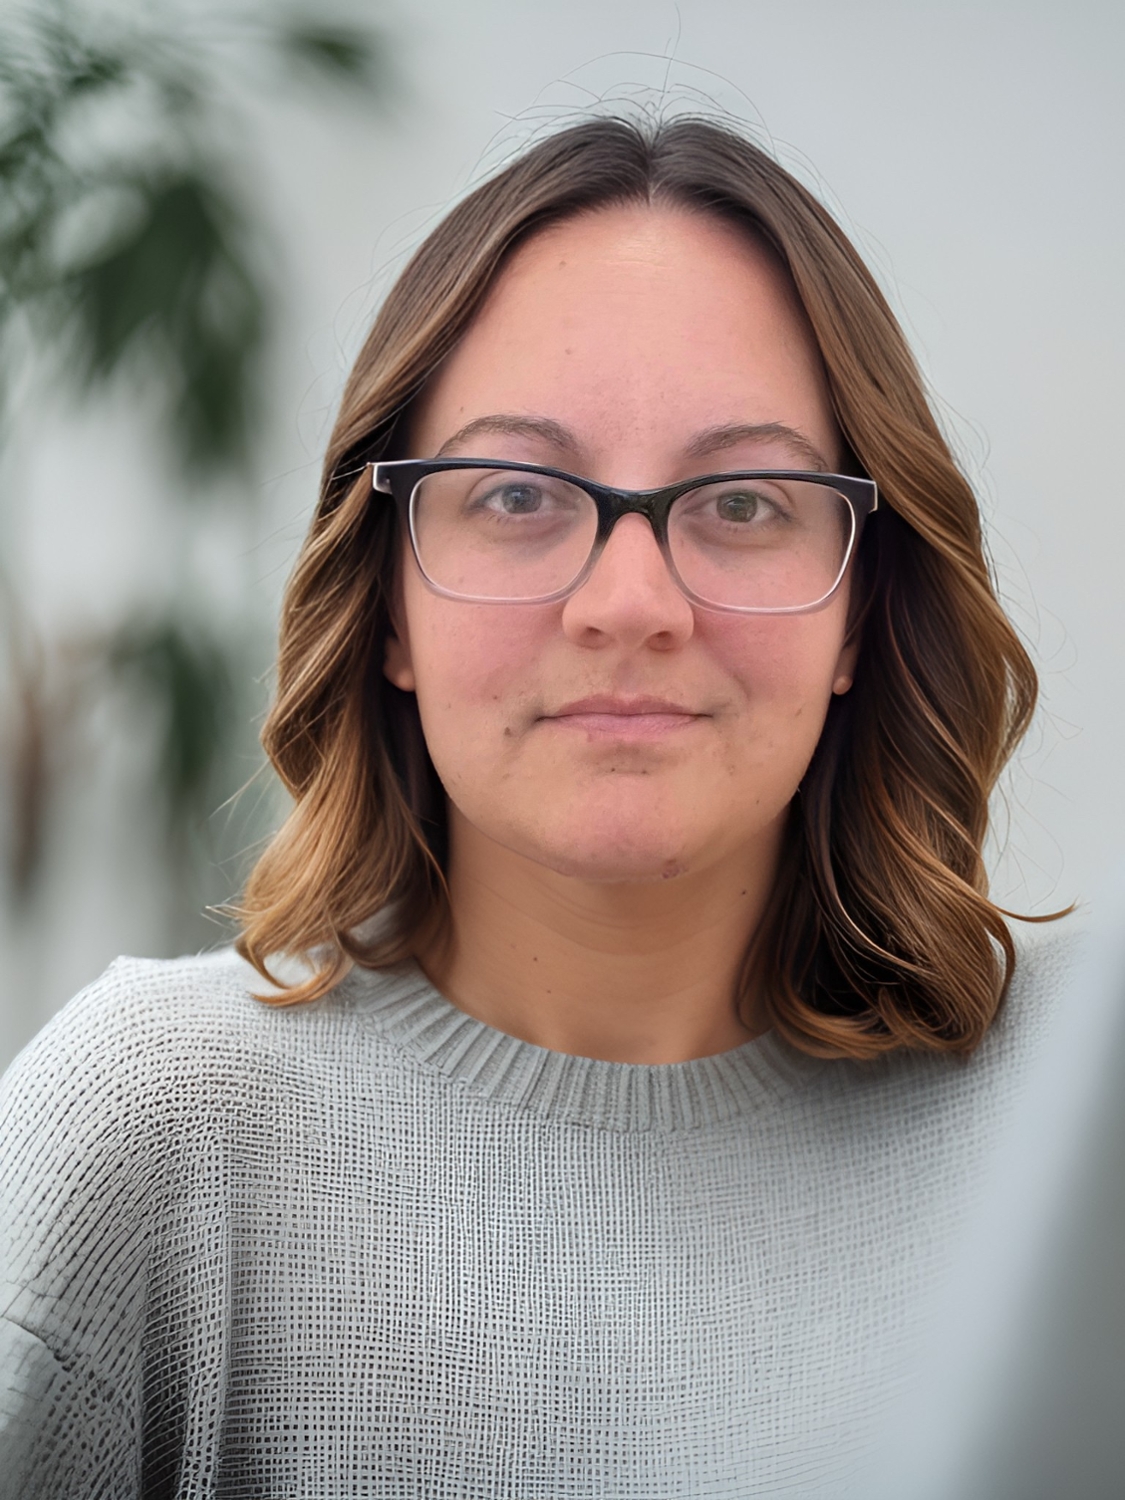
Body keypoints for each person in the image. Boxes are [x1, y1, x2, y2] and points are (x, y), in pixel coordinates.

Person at [0, 115, 1076, 1497]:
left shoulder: (1070, 1132)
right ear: (387, 598)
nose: (628, 606)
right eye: (514, 493)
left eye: (743, 501)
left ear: (862, 608)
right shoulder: (150, 1128)